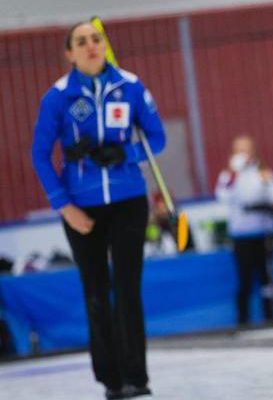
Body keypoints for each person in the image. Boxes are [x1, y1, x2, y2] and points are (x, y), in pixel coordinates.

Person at [31, 20, 165, 399]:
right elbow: (40, 155)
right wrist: (64, 206)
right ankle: (111, 380)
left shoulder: (131, 85)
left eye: (96, 39)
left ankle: (136, 377)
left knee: (127, 289)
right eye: (81, 41)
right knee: (96, 291)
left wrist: (127, 152)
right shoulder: (56, 97)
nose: (91, 45)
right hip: (81, 207)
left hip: (128, 202)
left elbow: (157, 137)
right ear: (69, 53)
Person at [215, 135, 273, 327]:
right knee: (244, 279)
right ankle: (242, 320)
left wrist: (267, 188)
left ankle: (270, 317)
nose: (244, 154)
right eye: (240, 150)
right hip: (241, 236)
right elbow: (222, 196)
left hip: (263, 233)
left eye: (247, 149)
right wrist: (233, 173)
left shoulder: (263, 172)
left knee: (267, 278)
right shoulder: (228, 176)